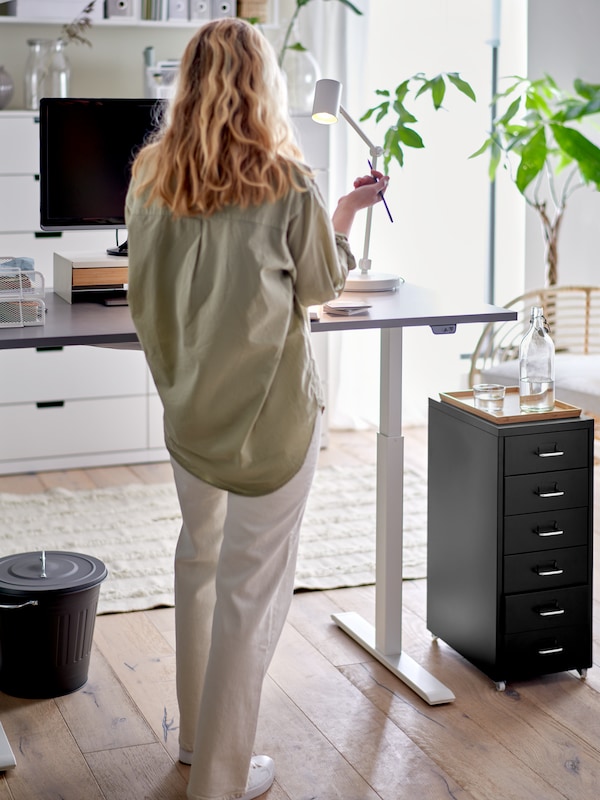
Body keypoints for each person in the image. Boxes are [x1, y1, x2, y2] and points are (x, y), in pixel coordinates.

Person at [125, 17, 390, 800]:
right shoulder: (288, 179)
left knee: (199, 565)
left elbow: (144, 292)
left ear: (188, 84)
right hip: (271, 426)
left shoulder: (149, 175)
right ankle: (219, 781)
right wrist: (344, 215)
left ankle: (195, 744)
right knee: (246, 596)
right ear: (262, 84)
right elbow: (320, 286)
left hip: (189, 417)